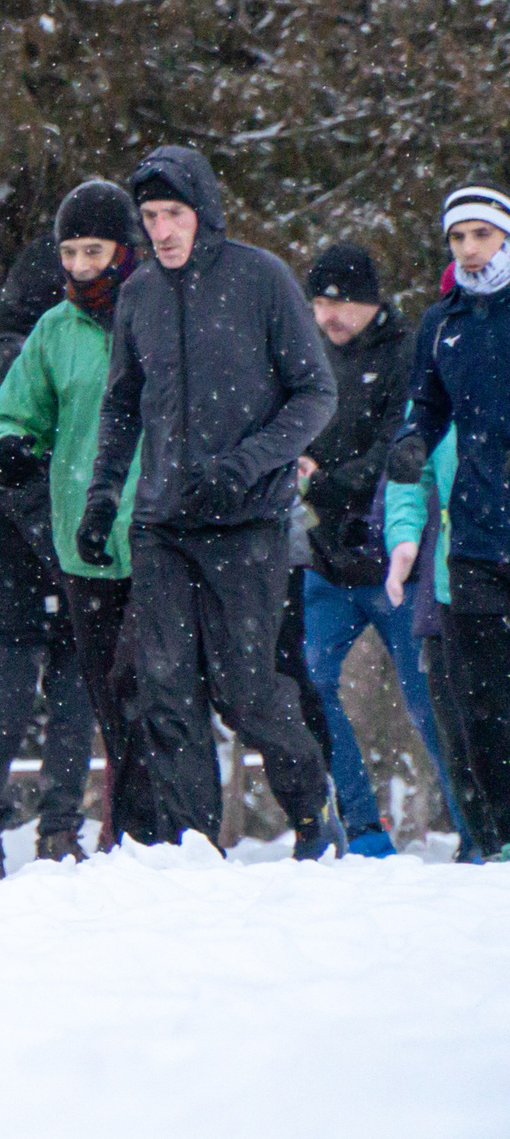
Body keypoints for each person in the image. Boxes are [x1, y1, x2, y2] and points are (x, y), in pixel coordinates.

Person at [78, 147, 340, 854]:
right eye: (150, 216)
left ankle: (312, 811)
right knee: (164, 690)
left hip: (248, 519)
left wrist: (247, 463)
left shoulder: (261, 279)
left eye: (174, 213)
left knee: (245, 690)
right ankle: (195, 847)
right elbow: (122, 406)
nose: (161, 230)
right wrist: (103, 497)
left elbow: (316, 393)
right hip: (162, 521)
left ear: (203, 212)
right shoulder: (139, 295)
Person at [0, 180, 152, 850]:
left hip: (163, 534)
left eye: (93, 250)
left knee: (159, 695)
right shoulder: (55, 328)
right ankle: (129, 836)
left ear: (124, 249)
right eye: (70, 252)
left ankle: (166, 834)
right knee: (110, 702)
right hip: (86, 543)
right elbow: (11, 415)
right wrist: (7, 449)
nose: (80, 266)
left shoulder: (161, 313)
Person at [0, 238, 95, 875]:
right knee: (58, 697)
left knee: (12, 700)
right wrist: (66, 542)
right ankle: (49, 829)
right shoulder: (17, 361)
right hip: (32, 559)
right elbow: (16, 479)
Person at [293, 243, 442, 857]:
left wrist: (323, 482)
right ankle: (361, 827)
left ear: (372, 302)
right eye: (319, 302)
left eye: (341, 303)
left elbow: (397, 453)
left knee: (428, 702)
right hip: (326, 561)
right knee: (308, 686)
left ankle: (482, 832)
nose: (328, 315)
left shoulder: (408, 352)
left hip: (397, 563)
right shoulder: (309, 352)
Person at [384, 182, 510, 862]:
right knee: (482, 704)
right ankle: (500, 838)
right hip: (474, 532)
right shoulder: (442, 321)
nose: (468, 248)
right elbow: (426, 403)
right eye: (458, 237)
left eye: (481, 235)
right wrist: (413, 440)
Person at [385, 426, 496, 860]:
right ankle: (486, 844)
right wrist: (403, 537)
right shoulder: (441, 387)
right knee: (460, 728)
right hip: (452, 583)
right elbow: (409, 469)